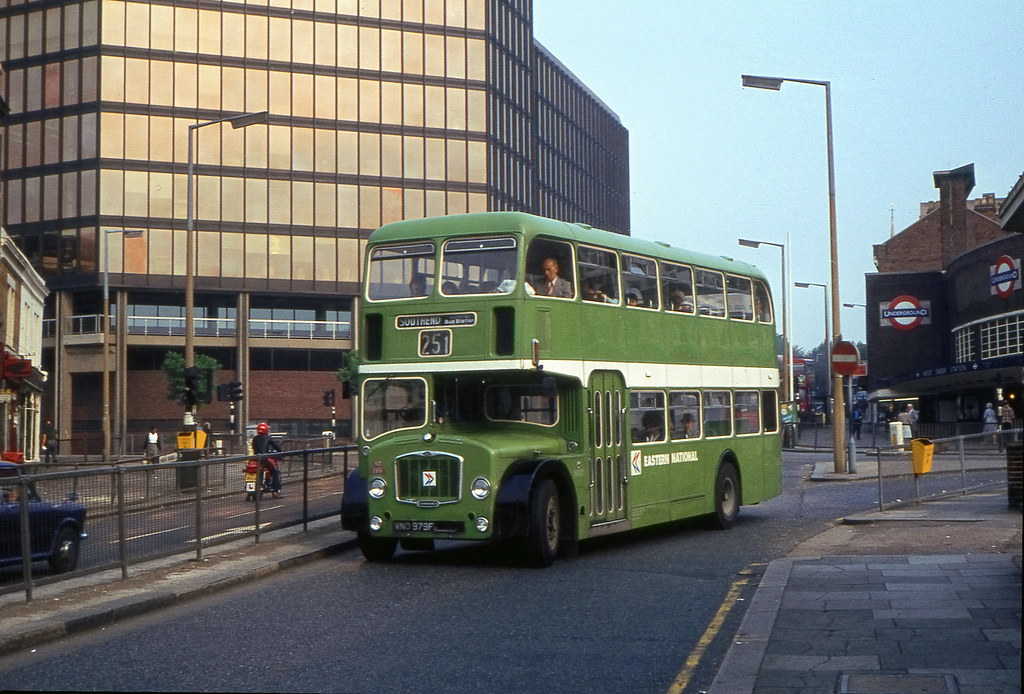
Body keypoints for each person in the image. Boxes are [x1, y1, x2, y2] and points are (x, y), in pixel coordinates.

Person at [251, 422, 283, 497]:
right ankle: (276, 490)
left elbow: (254, 448)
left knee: (258, 471)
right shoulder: (268, 438)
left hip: (255, 459)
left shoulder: (255, 438)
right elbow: (276, 446)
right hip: (264, 459)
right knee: (274, 472)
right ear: (266, 430)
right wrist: (281, 452)